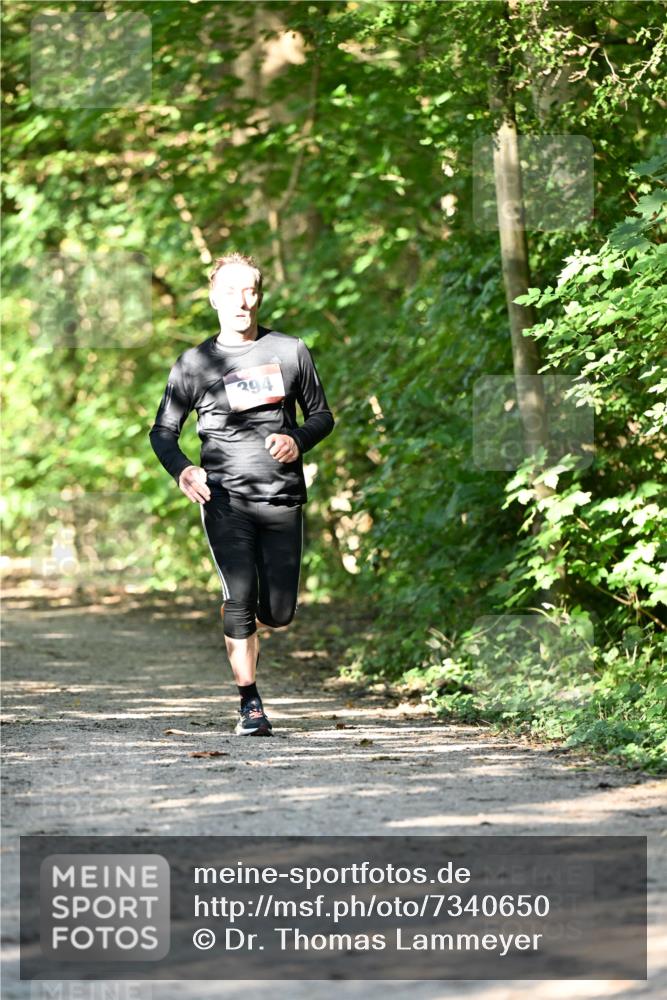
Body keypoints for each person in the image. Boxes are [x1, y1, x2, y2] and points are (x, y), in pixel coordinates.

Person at [148, 252, 335, 736]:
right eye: (230, 292)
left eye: (250, 291)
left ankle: (255, 625)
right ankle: (250, 704)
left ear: (260, 296)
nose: (241, 301)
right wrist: (184, 470)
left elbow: (321, 415)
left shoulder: (290, 351)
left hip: (281, 497)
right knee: (239, 596)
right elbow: (163, 432)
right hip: (223, 499)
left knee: (278, 612)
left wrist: (298, 439)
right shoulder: (194, 363)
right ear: (213, 299)